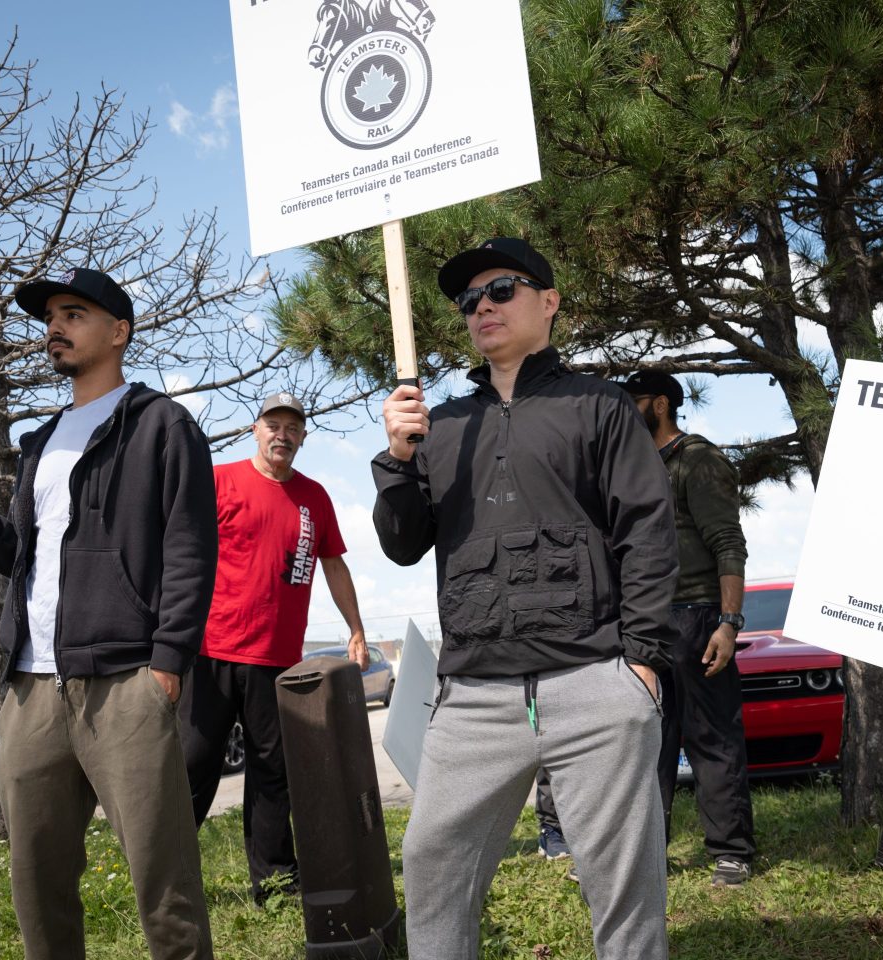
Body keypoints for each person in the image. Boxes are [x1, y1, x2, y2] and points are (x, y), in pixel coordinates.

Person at [374, 237, 678, 959]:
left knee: (624, 887)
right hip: (474, 694)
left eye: (502, 289)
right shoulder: (438, 426)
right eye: (468, 299)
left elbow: (647, 532)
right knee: (431, 865)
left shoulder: (599, 407)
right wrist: (397, 458)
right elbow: (401, 542)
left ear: (549, 302)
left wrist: (639, 665)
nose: (483, 306)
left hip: (592, 680)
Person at [0, 267, 218, 960]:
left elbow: (191, 551)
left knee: (163, 889)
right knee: (38, 890)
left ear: (119, 331)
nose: (56, 326)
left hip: (126, 686)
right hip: (32, 692)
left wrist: (166, 668)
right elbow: (17, 555)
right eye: (51, 316)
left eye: (74, 313)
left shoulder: (163, 426)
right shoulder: (41, 443)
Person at [179, 390, 368, 904]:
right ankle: (169, 879)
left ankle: (277, 883)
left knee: (273, 775)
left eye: (292, 428)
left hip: (277, 661)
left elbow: (333, 564)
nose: (281, 435)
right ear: (254, 430)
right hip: (211, 652)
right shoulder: (218, 482)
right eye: (272, 425)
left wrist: (355, 628)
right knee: (193, 767)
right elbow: (178, 554)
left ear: (303, 437)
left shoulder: (315, 497)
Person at [620, 370, 755, 886]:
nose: (624, 412)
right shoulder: (631, 467)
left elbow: (728, 543)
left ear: (659, 404)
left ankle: (730, 851)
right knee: (645, 743)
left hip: (698, 616)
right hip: (644, 623)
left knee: (712, 738)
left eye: (632, 402)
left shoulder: (697, 459)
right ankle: (645, 853)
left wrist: (727, 623)